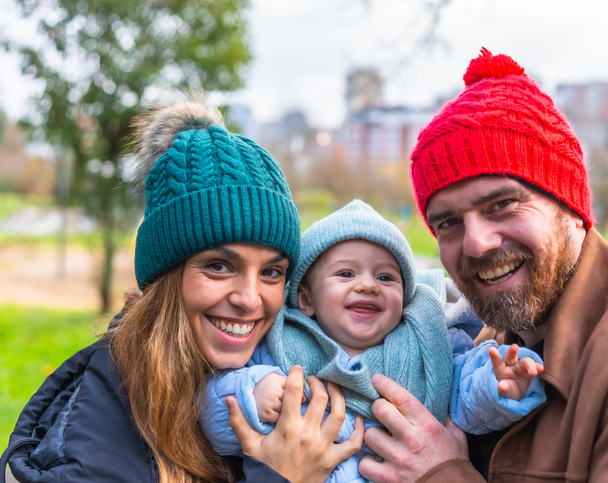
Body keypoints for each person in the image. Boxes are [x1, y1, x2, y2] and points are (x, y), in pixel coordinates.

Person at [357, 47, 608, 483]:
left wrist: (443, 475)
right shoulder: (482, 343)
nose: (475, 243)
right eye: (449, 223)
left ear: (570, 206)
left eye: (502, 204)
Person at [4, 99, 362, 483]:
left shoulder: (263, 376)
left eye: (272, 272)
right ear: (165, 274)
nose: (250, 298)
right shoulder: (98, 443)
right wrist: (280, 476)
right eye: (219, 266)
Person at [203, 199, 546, 483]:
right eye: (346, 273)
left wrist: (498, 385)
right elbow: (214, 416)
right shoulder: (280, 346)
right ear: (305, 300)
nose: (368, 285)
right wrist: (252, 392)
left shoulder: (429, 346)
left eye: (385, 276)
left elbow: (465, 400)